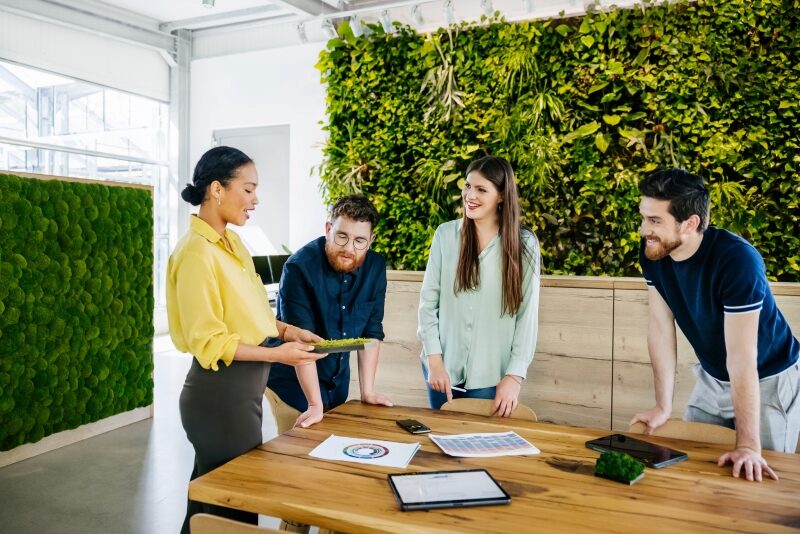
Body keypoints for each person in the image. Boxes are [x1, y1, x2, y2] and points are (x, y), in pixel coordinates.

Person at [166, 146, 324, 533]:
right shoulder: (195, 255)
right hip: (218, 399)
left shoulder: (233, 244)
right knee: (234, 511)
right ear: (217, 189)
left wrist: (287, 331)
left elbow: (252, 315)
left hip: (240, 400)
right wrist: (281, 356)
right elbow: (210, 343)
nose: (256, 199)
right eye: (249, 189)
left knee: (209, 507)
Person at [631, 168, 799, 482]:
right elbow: (660, 327)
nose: (644, 230)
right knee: (692, 466)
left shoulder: (737, 262)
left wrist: (748, 444)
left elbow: (742, 357)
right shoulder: (654, 253)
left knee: (760, 475)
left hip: (769, 378)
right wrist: (662, 405)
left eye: (655, 221)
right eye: (644, 218)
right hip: (713, 375)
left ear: (690, 223)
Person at [417, 155, 540, 416]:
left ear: (502, 196)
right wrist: (434, 361)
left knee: (480, 452)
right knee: (442, 446)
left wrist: (514, 377)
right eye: (467, 186)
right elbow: (428, 303)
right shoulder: (445, 235)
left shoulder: (525, 244)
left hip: (492, 378)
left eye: (481, 189)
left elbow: (527, 315)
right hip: (441, 371)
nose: (470, 195)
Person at [265, 195, 392, 433]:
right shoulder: (299, 268)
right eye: (342, 236)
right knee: (301, 461)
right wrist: (315, 403)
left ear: (371, 240)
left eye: (360, 241)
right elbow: (301, 343)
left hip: (337, 384)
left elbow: (371, 334)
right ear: (328, 228)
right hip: (294, 385)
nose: (348, 248)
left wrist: (367, 392)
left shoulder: (374, 267)